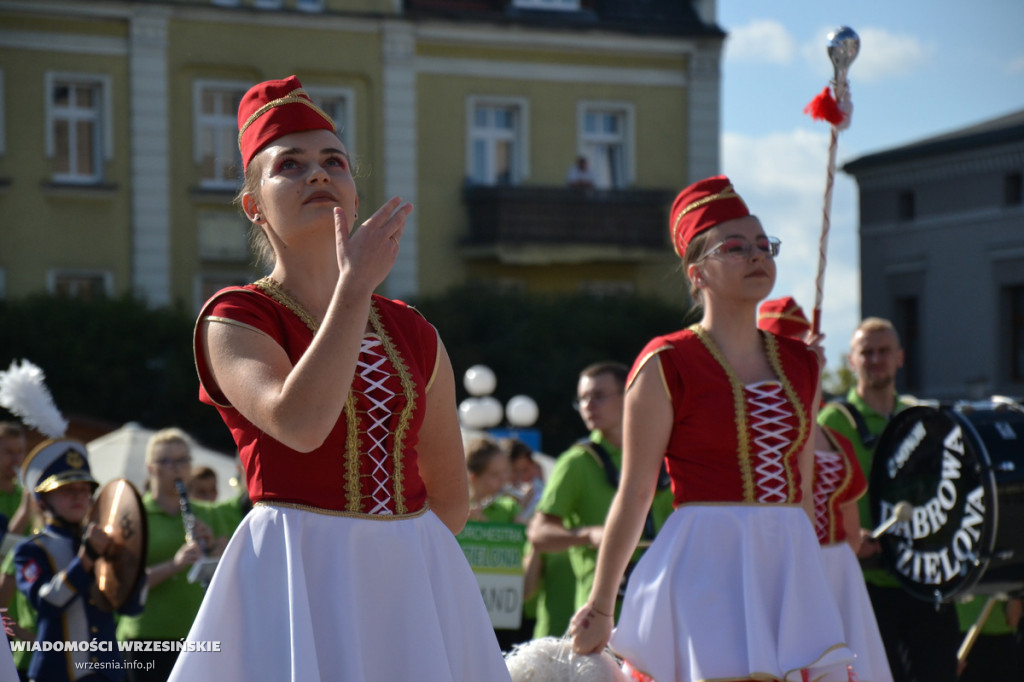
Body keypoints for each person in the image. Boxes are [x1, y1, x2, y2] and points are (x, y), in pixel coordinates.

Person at [171, 75, 511, 681]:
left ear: (354, 195)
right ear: (254, 204)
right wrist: (355, 287)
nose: (319, 174)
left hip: (410, 576)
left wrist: (400, 565)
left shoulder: (415, 331)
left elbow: (452, 499)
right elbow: (299, 424)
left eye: (335, 162)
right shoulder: (236, 316)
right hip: (296, 571)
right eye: (290, 166)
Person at [570, 175, 856, 682]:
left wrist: (812, 584)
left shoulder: (803, 364)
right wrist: (600, 605)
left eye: (765, 245)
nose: (757, 256)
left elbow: (806, 489)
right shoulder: (667, 360)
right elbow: (636, 493)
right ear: (697, 272)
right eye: (737, 247)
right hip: (706, 569)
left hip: (787, 570)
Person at [819, 318, 961, 682]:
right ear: (851, 361)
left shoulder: (920, 417)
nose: (875, 359)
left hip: (924, 580)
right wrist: (850, 534)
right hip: (869, 586)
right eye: (866, 352)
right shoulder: (833, 421)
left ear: (900, 358)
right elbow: (819, 497)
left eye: (884, 352)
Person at [759, 297, 892, 682]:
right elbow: (850, 535)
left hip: (829, 572)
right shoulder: (828, 439)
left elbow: (850, 534)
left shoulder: (832, 441)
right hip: (799, 570)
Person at [527, 362, 674, 622]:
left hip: (662, 610)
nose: (588, 406)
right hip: (601, 616)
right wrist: (587, 534)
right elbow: (538, 533)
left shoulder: (663, 456)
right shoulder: (576, 462)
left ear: (628, 396)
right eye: (582, 399)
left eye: (599, 396)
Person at [14, 439, 145, 682]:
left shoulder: (104, 541)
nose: (78, 496)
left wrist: (132, 560)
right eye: (67, 490)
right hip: (58, 673)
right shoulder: (30, 549)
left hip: (108, 673)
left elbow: (132, 608)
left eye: (84, 489)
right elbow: (48, 603)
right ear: (42, 499)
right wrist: (87, 559)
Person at [117, 428, 227, 681]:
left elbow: (226, 576)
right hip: (145, 637)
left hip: (198, 633)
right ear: (151, 468)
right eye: (166, 461)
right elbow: (123, 585)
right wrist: (174, 565)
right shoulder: (133, 516)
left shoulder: (209, 514)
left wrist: (213, 550)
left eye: (182, 460)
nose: (175, 468)